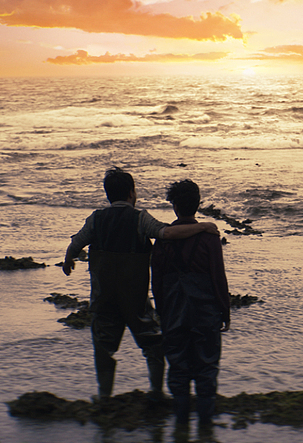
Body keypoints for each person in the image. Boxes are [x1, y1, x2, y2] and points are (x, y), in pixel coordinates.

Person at [63, 167, 218, 400]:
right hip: (135, 298)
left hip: (103, 298)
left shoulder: (96, 219)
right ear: (131, 193)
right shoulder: (140, 218)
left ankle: (104, 395)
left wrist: (68, 261)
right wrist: (203, 227)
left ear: (108, 195)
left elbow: (76, 244)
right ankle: (156, 391)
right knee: (154, 343)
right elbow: (167, 233)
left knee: (103, 347)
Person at [150, 179, 230, 426]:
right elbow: (218, 276)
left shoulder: (163, 240)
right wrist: (224, 311)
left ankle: (181, 425)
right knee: (206, 367)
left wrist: (162, 312)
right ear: (198, 205)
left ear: (174, 206)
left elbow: (157, 282)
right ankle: (205, 426)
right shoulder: (209, 238)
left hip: (174, 311)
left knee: (178, 367)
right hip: (205, 311)